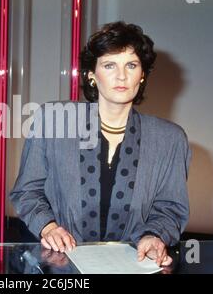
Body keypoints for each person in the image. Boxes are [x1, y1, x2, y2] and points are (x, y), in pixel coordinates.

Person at [10, 21, 192, 267]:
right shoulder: (53, 119)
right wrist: (48, 226)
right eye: (109, 65)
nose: (121, 75)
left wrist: (154, 236)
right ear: (92, 75)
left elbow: (170, 207)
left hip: (134, 265)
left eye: (131, 65)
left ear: (142, 76)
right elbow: (27, 190)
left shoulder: (170, 139)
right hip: (62, 266)